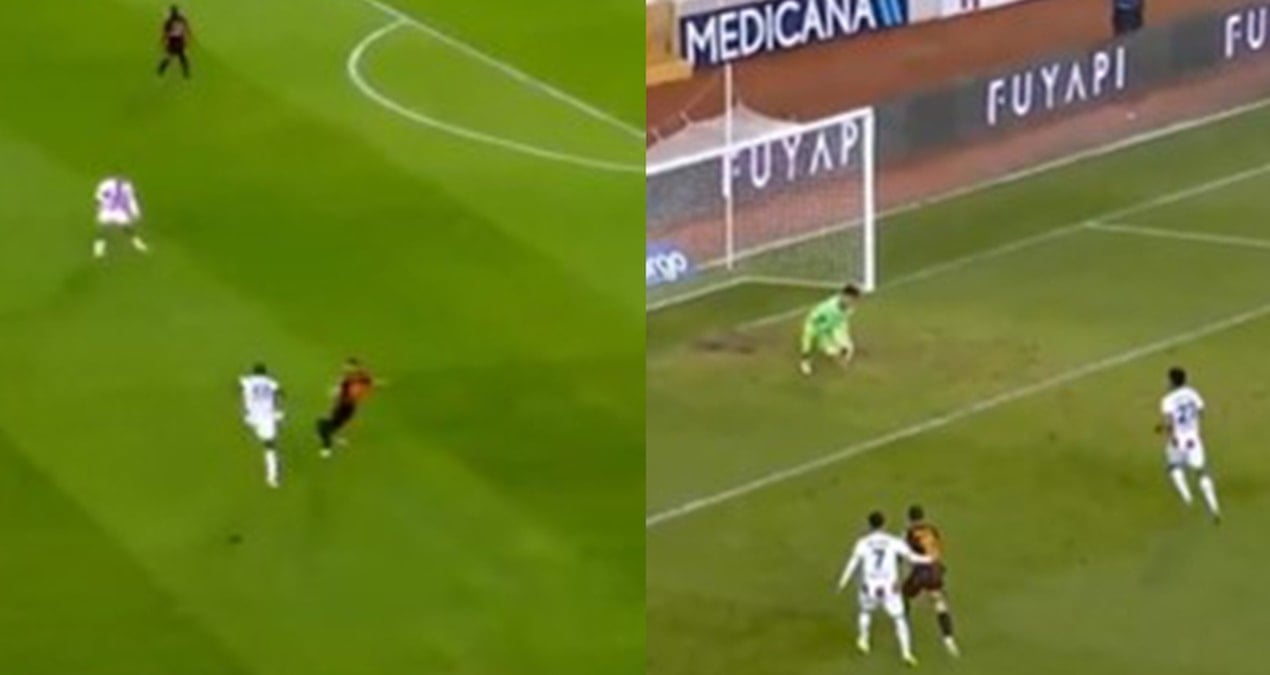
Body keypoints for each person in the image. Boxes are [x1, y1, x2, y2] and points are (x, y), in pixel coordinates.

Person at [836, 510, 932, 666]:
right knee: (899, 619)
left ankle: (863, 641)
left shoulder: (863, 543)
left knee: (865, 612)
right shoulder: (893, 541)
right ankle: (906, 653)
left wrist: (842, 582)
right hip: (890, 589)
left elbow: (853, 563)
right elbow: (912, 557)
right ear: (884, 524)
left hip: (869, 588)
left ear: (869, 525)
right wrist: (929, 559)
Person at [1157, 366, 1221, 523]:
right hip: (1193, 438)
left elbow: (1169, 423)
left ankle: (1187, 498)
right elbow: (1201, 412)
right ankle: (1214, 507)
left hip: (1178, 439)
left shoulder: (1167, 400)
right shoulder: (1193, 394)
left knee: (1173, 467)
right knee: (1201, 471)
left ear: (1172, 382)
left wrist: (1162, 429)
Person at [903, 505, 960, 657]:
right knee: (939, 604)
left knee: (904, 595)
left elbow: (907, 554)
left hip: (921, 572)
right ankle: (949, 640)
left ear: (909, 519)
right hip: (935, 571)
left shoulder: (910, 532)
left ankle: (903, 625)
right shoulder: (932, 530)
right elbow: (937, 548)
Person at [316, 358, 375, 457]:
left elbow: (360, 387)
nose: (346, 369)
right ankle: (330, 442)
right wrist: (335, 392)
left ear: (356, 367)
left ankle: (327, 444)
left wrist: (336, 392)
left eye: (349, 367)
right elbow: (341, 388)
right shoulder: (351, 377)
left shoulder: (359, 378)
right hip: (343, 404)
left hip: (347, 405)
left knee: (326, 423)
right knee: (332, 422)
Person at [799, 284, 861, 375]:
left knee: (847, 347)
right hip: (817, 326)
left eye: (853, 300)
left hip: (833, 326)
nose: (851, 302)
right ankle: (805, 361)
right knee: (808, 339)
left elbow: (842, 321)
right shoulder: (828, 307)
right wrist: (819, 332)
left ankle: (837, 352)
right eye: (849, 299)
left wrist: (842, 335)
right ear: (843, 295)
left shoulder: (850, 309)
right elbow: (814, 319)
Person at [240, 363, 284, 488]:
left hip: (252, 417)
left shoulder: (247, 380)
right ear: (265, 373)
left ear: (254, 372)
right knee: (270, 446)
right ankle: (272, 477)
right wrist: (277, 407)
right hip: (267, 417)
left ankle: (272, 473)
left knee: (263, 435)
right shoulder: (271, 382)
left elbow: (239, 385)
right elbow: (280, 392)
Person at [93, 176, 148, 259]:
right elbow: (131, 201)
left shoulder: (109, 184)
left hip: (112, 212)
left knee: (123, 229)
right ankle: (138, 245)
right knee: (106, 230)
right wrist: (136, 213)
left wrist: (98, 208)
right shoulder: (124, 186)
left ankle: (98, 251)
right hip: (112, 211)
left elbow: (98, 198)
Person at [157, 5, 192, 79]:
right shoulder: (181, 20)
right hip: (179, 39)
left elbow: (165, 33)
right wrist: (188, 37)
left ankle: (161, 70)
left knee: (170, 55)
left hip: (173, 40)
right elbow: (186, 29)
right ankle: (186, 73)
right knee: (182, 56)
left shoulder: (169, 21)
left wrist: (162, 40)